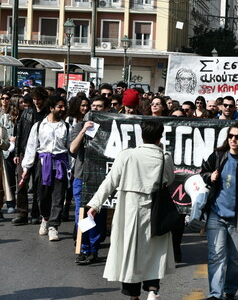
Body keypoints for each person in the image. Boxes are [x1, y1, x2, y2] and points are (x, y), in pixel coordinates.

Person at [87, 120, 176, 300]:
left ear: (141, 135)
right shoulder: (164, 157)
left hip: (130, 209)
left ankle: (133, 295)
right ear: (160, 137)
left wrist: (94, 205)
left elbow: (110, 181)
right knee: (155, 251)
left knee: (129, 253)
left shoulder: (127, 155)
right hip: (156, 209)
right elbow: (170, 179)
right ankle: (153, 289)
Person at [201, 121, 238, 300]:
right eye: (230, 136)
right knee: (215, 256)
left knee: (234, 259)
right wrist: (210, 177)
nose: (233, 139)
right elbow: (202, 173)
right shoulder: (219, 155)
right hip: (216, 214)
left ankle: (230, 291)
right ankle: (215, 294)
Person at [20, 96, 70, 241]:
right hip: (43, 165)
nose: (63, 109)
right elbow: (31, 147)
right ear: (51, 108)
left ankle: (54, 226)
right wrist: (26, 167)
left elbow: (70, 149)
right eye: (59, 107)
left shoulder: (66, 127)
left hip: (60, 164)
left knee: (58, 197)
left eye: (64, 107)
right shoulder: (39, 126)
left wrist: (70, 169)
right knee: (42, 196)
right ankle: (45, 218)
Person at [70, 96, 109, 264]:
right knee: (83, 213)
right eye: (93, 106)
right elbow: (72, 149)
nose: (94, 109)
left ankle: (94, 248)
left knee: (98, 215)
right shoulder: (79, 126)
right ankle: (83, 247)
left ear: (106, 109)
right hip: (82, 177)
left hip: (102, 178)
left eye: (99, 107)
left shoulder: (109, 128)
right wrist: (83, 131)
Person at [12, 86, 49, 226]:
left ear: (44, 100)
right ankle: (22, 213)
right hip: (24, 152)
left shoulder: (47, 115)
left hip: (41, 154)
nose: (36, 102)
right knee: (22, 184)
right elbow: (19, 133)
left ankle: (35, 213)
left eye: (39, 99)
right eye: (34, 99)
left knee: (38, 185)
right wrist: (16, 153)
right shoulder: (26, 113)